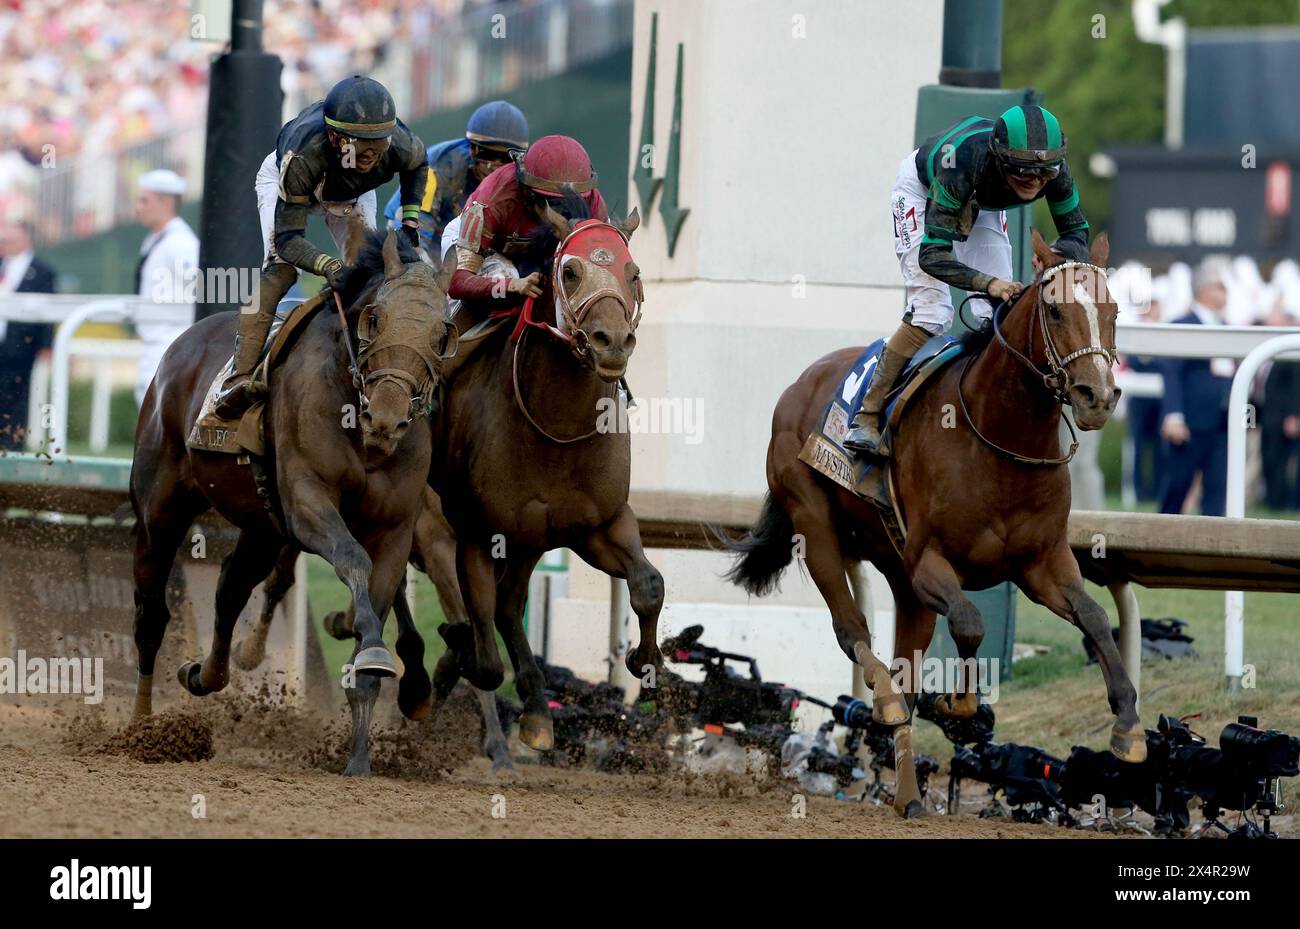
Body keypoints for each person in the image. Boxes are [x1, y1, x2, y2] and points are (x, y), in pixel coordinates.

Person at [843, 104, 1090, 457]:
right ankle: (867, 417)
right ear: (1000, 158)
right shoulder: (959, 163)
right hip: (924, 190)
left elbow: (1077, 232)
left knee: (999, 315)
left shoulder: (1056, 169)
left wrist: (1056, 253)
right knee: (933, 311)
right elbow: (932, 255)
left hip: (984, 201)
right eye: (1023, 171)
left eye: (1044, 173)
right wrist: (988, 283)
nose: (1036, 181)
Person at [213, 75, 427, 419]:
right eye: (360, 144)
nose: (371, 153)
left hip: (350, 195)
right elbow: (287, 241)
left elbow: (418, 165)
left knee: (369, 273)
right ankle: (238, 377)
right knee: (281, 270)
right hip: (292, 189)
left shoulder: (399, 143)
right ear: (334, 136)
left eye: (378, 142)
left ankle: (370, 365)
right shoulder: (304, 156)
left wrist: (411, 221)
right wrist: (329, 266)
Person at [447, 134, 607, 320]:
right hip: (487, 248)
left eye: (574, 202)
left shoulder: (594, 204)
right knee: (507, 284)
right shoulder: (490, 201)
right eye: (555, 204)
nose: (564, 216)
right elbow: (458, 283)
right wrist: (513, 285)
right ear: (529, 194)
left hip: (535, 253)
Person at [382, 100, 529, 257]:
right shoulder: (439, 167)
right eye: (488, 154)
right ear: (472, 148)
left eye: (507, 158)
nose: (496, 165)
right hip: (423, 234)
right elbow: (414, 230)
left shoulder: (524, 178)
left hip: (473, 247)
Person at [1158, 261, 1234, 517]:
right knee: (1176, 489)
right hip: (1189, 425)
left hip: (1222, 425)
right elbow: (1172, 372)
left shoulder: (1228, 327)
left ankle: (1213, 553)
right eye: (1220, 286)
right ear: (1204, 290)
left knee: (1217, 493)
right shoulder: (1182, 324)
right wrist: (1174, 415)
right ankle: (1157, 546)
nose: (1225, 292)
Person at [133, 168, 199, 408]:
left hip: (170, 343)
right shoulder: (155, 240)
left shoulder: (180, 243)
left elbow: (202, 286)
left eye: (144, 200)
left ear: (166, 203)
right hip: (156, 342)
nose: (138, 207)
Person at [0, 222, 56, 450]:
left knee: (16, 401)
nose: (5, 245)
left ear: (25, 240)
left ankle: (11, 449)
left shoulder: (42, 271)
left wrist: (46, 345)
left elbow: (49, 311)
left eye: (10, 240)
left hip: (21, 349)